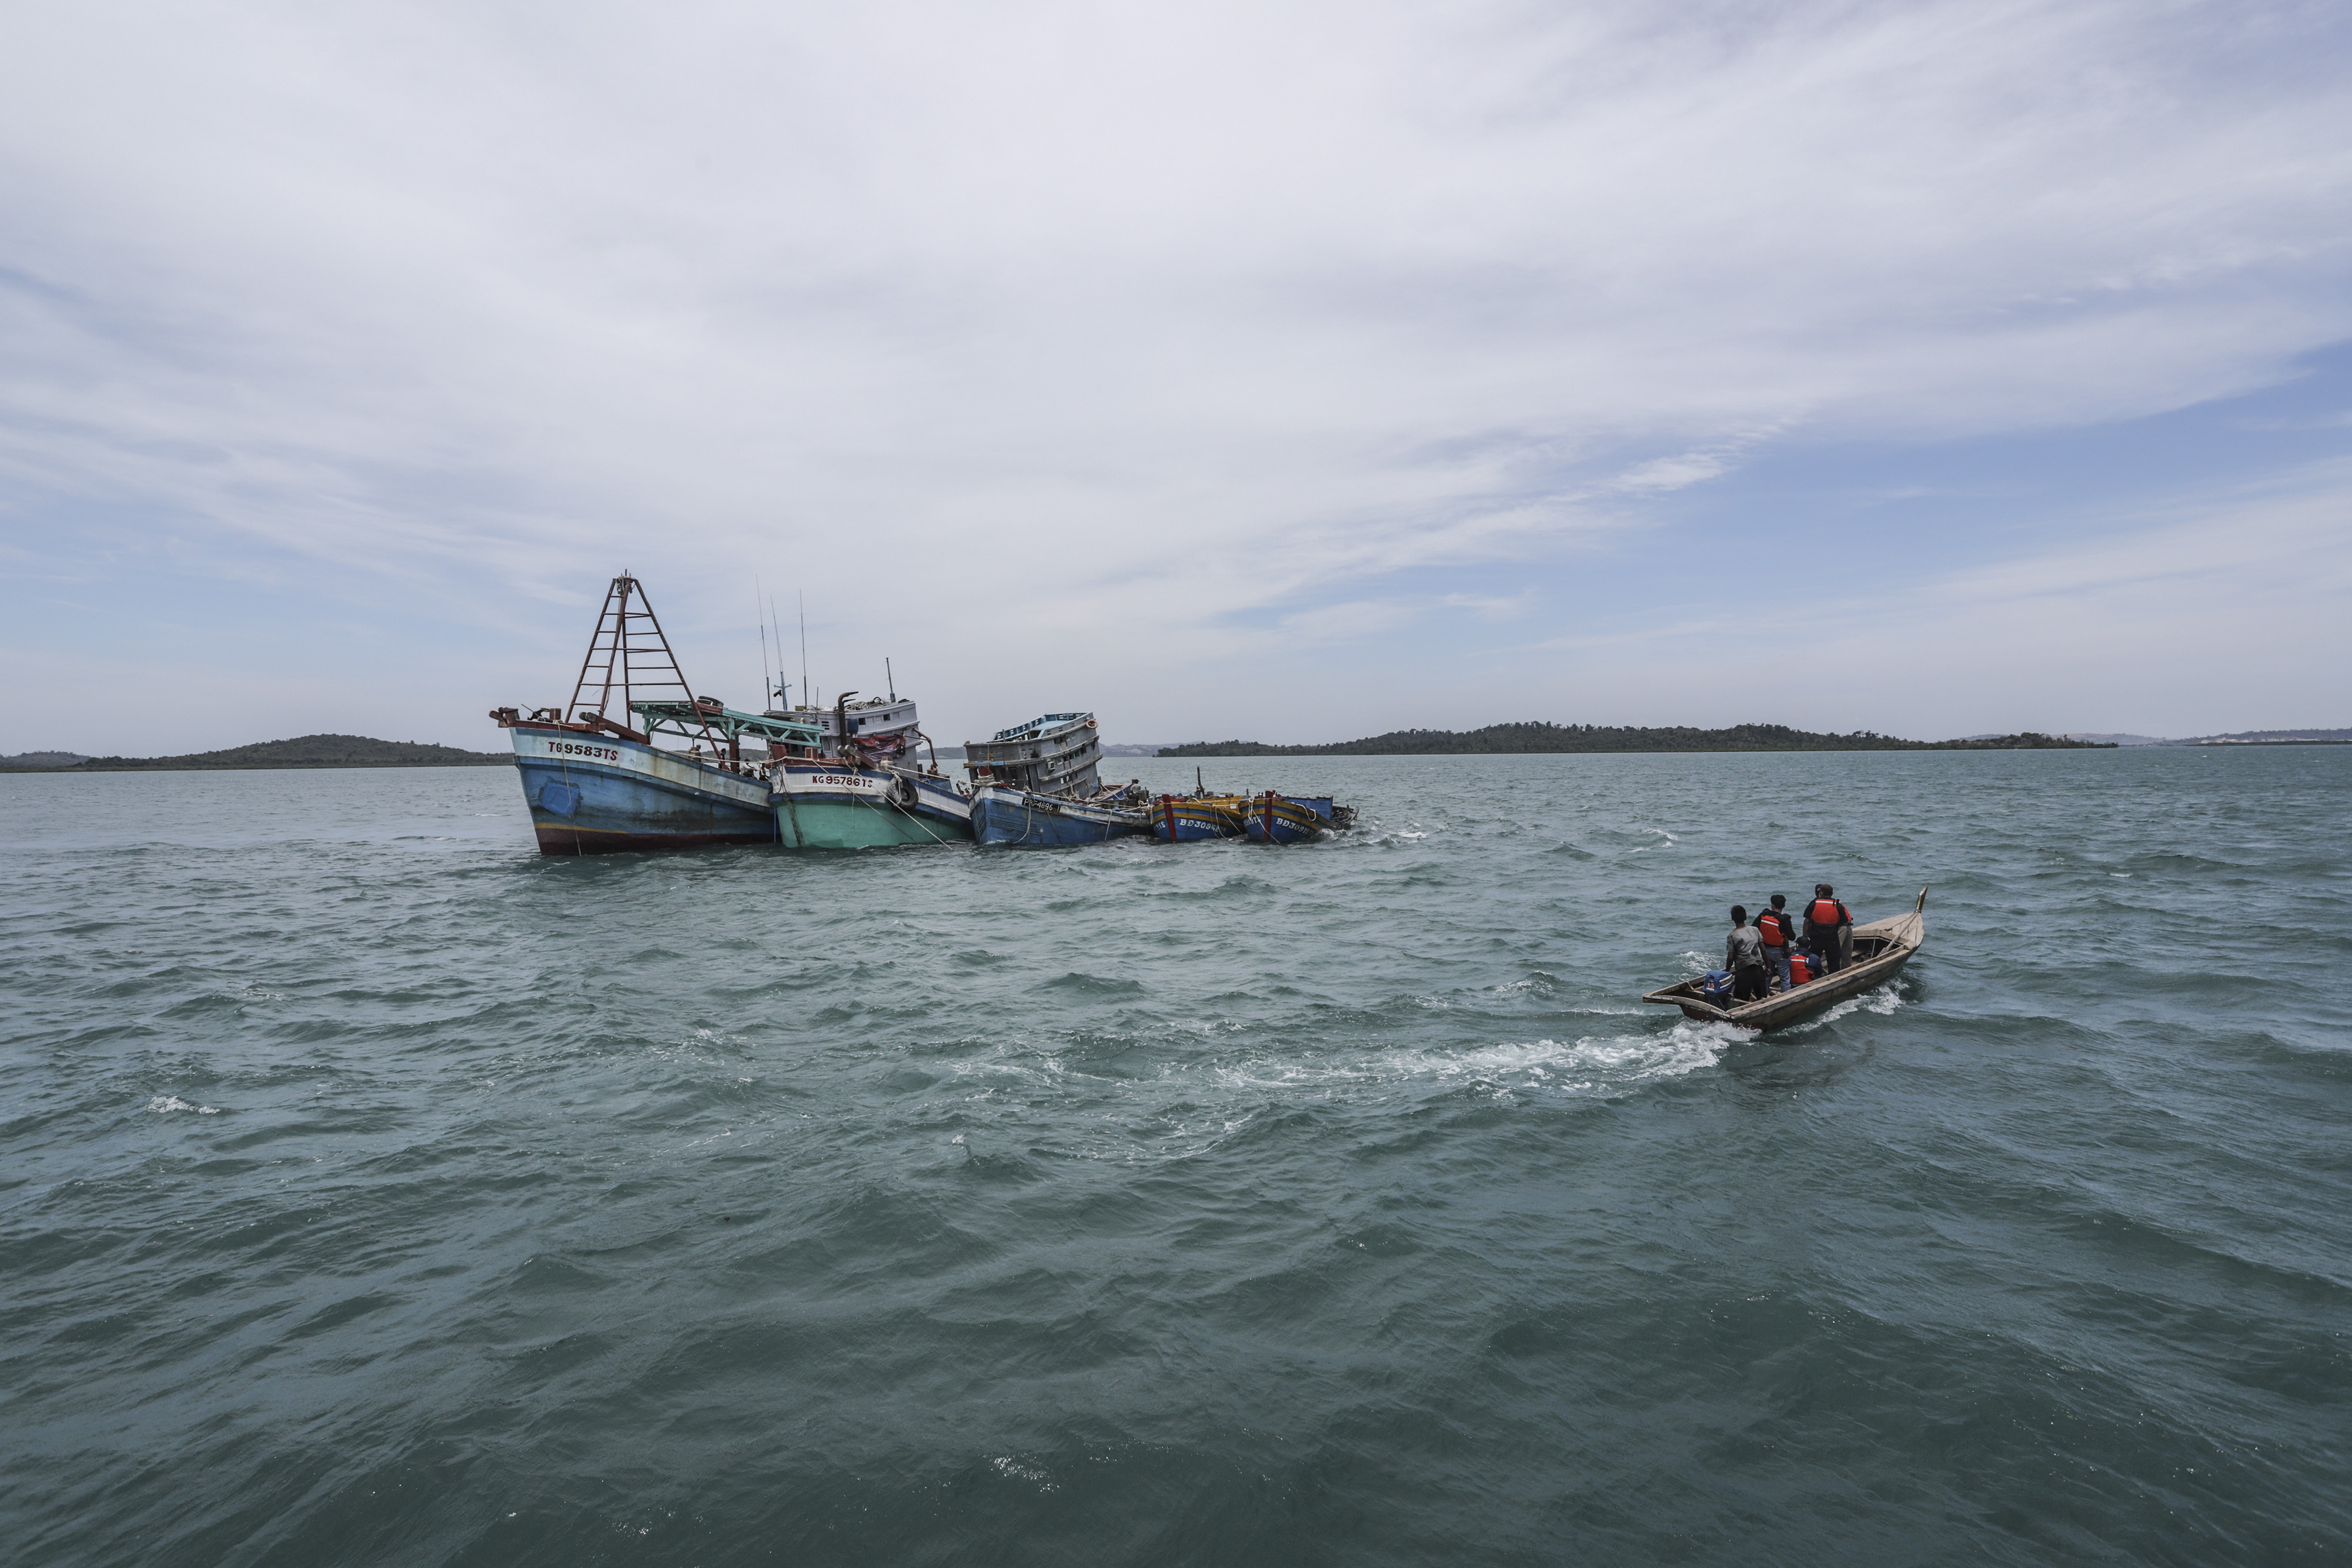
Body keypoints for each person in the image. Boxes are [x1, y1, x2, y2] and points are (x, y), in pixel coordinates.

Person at [1805, 883, 1854, 974]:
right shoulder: (1836, 904)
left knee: (1816, 956)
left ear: (1821, 893)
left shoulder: (1815, 903)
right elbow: (1844, 920)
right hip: (1836, 934)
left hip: (1829, 933)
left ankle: (1814, 975)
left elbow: (1807, 921)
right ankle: (1842, 974)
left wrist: (1805, 935)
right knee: (1838, 958)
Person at [1725, 905, 1769, 1002]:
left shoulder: (1732, 936)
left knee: (1742, 1001)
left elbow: (1731, 957)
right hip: (1758, 969)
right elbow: (1763, 950)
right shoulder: (1755, 930)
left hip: (1743, 972)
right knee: (1762, 998)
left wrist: (1727, 970)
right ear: (1745, 917)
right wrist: (1768, 967)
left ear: (1733, 918)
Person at [1754, 894, 1796, 991]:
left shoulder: (1763, 916)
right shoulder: (1784, 920)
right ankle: (1785, 999)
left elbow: (1754, 928)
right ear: (1784, 906)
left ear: (1772, 905)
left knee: (1768, 975)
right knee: (1785, 978)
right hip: (1781, 952)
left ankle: (1764, 996)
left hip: (1766, 951)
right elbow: (1792, 937)